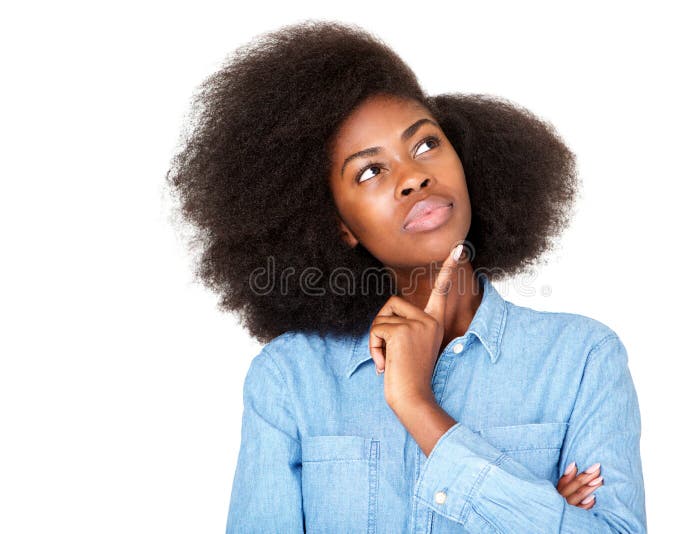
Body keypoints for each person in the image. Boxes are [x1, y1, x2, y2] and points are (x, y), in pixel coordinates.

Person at [166, 19, 646, 533]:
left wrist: (417, 405)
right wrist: (534, 508)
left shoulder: (580, 358)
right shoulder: (291, 380)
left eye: (424, 145)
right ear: (340, 226)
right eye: (370, 171)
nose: (413, 176)